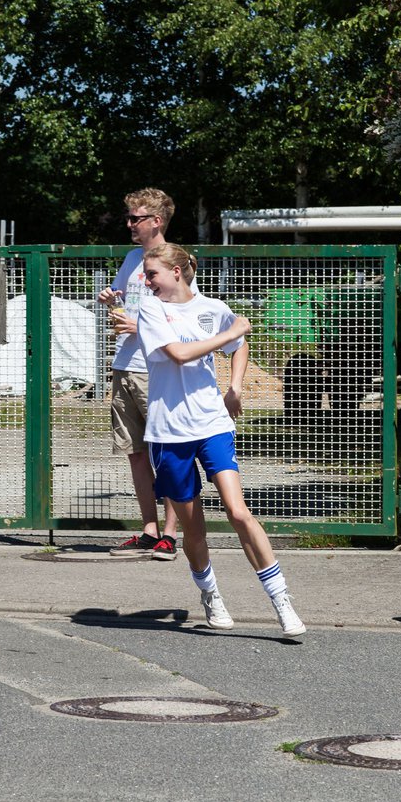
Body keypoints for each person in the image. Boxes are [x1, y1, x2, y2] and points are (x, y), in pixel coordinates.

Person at [134, 243, 305, 637]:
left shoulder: (212, 308)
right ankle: (209, 592)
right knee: (194, 529)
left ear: (176, 271)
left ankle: (282, 601)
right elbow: (179, 353)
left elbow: (239, 345)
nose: (147, 280)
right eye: (146, 273)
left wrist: (235, 386)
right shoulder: (151, 308)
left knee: (238, 511)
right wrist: (232, 332)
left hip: (212, 423)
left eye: (153, 273)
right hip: (169, 432)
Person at [96, 188, 203, 561]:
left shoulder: (177, 260)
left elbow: (185, 318)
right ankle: (148, 530)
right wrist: (114, 302)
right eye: (128, 217)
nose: (129, 224)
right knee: (135, 453)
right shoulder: (130, 258)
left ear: (156, 221)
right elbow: (132, 304)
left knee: (169, 452)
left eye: (135, 218)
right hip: (125, 365)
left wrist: (140, 327)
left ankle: (171, 536)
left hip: (155, 368)